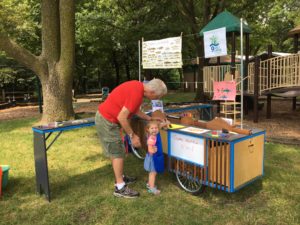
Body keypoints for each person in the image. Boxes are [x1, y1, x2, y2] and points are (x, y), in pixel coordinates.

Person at [95, 79, 168, 198]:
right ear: (152, 92)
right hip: (107, 120)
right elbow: (122, 117)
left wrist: (149, 119)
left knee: (117, 150)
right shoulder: (136, 94)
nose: (156, 99)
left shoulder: (137, 87)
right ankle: (120, 187)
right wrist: (132, 136)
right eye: (158, 96)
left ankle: (120, 177)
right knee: (118, 152)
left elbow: (134, 110)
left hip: (107, 118)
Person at [144, 121, 165, 195]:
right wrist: (153, 150)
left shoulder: (155, 134)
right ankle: (152, 188)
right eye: (152, 128)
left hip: (153, 157)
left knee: (151, 172)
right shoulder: (152, 138)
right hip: (153, 158)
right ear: (148, 129)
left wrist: (165, 123)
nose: (154, 129)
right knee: (153, 173)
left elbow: (161, 125)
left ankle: (150, 184)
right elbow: (150, 149)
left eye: (156, 128)